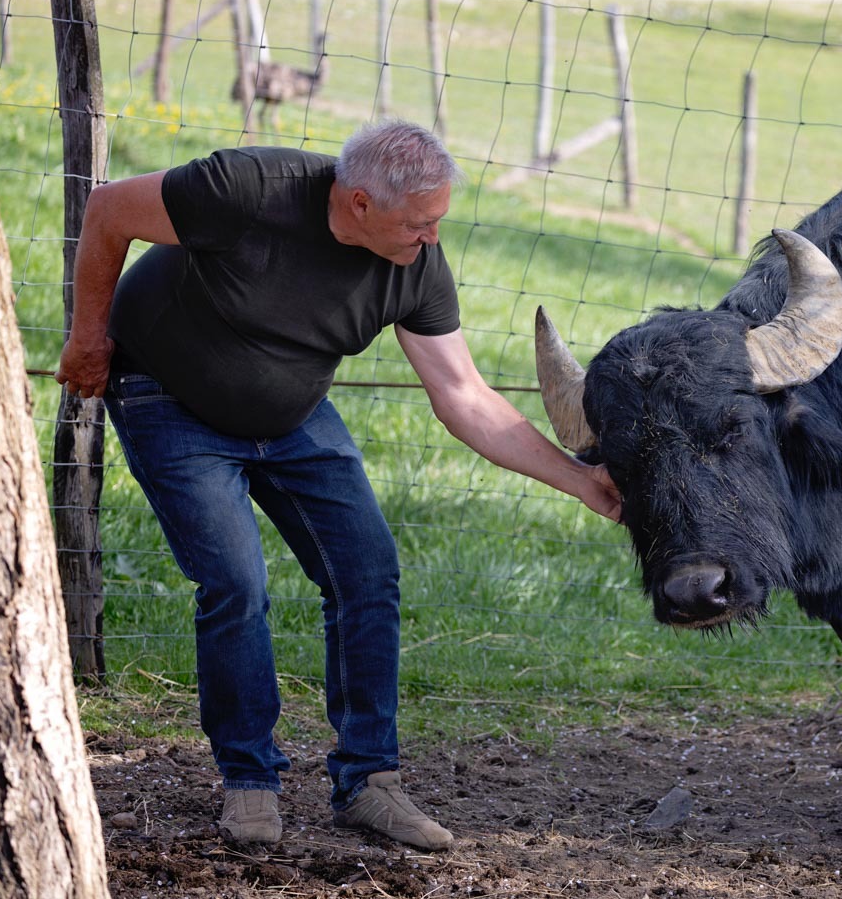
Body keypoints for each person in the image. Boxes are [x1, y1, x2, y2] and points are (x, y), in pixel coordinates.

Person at [56, 119, 620, 850]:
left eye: (438, 220)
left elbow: (465, 396)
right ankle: (249, 780)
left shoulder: (415, 262)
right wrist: (88, 338)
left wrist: (580, 481)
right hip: (168, 395)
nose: (432, 238)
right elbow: (108, 209)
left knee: (367, 571)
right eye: (418, 223)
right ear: (359, 202)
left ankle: (369, 783)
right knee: (235, 582)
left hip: (292, 411)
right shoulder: (245, 190)